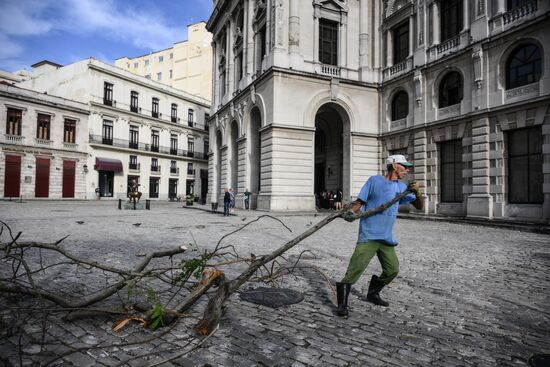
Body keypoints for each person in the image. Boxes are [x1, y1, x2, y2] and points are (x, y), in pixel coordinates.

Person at [336, 154, 424, 317]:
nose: (407, 170)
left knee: (392, 270)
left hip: (386, 238)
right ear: (395, 166)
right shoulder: (374, 181)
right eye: (405, 166)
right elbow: (359, 202)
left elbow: (419, 206)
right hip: (368, 235)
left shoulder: (401, 187)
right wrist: (349, 213)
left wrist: (417, 192)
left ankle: (373, 294)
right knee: (355, 269)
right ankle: (342, 304)